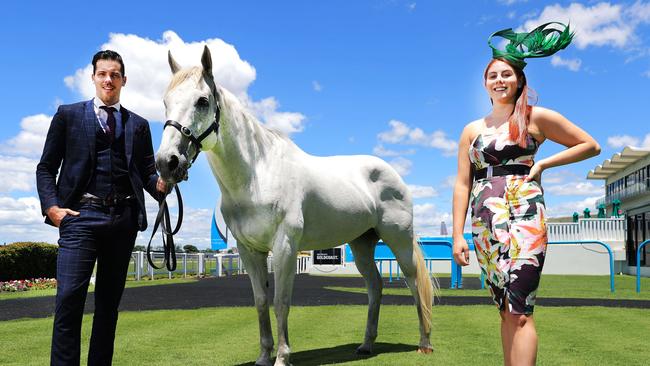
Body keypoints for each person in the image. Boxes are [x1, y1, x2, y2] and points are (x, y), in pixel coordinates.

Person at [452, 23, 600, 366]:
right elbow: (462, 183)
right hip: (484, 223)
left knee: (520, 311)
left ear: (519, 80)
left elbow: (589, 145)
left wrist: (544, 163)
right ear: (485, 83)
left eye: (506, 74)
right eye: (493, 75)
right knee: (504, 311)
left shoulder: (536, 118)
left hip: (524, 218)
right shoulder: (472, 130)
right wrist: (458, 234)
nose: (499, 80)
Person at [36, 50, 167, 365]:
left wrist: (167, 181)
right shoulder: (68, 115)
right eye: (103, 74)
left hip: (122, 220)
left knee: (108, 307)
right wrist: (52, 208)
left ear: (123, 80)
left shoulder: (138, 124)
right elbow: (46, 168)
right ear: (93, 77)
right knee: (69, 300)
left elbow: (149, 175)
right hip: (79, 217)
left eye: (115, 75)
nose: (109, 79)